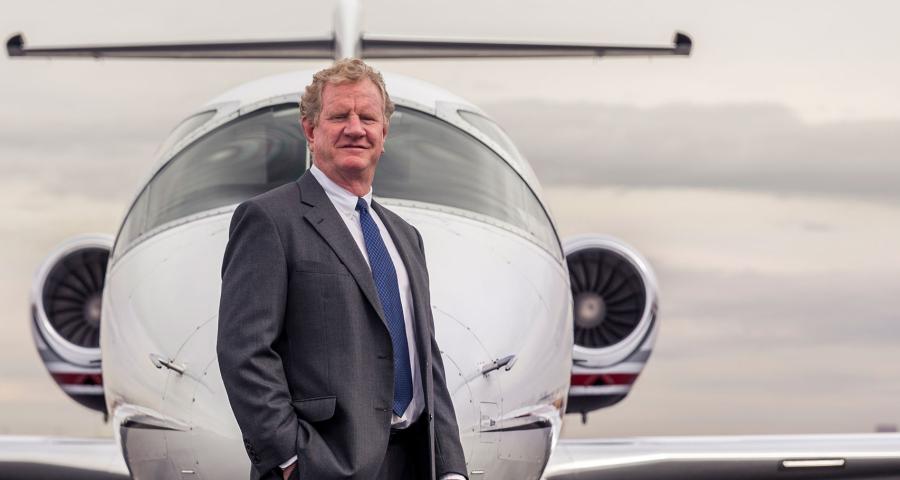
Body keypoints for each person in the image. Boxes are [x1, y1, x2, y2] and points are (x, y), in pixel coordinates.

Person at [217, 58, 468, 480]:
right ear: (310, 130)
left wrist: (450, 468)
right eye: (339, 116)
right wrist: (290, 458)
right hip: (323, 466)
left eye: (368, 117)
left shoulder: (405, 237)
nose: (356, 128)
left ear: (384, 134)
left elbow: (428, 361)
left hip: (414, 464)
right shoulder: (270, 220)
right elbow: (244, 351)